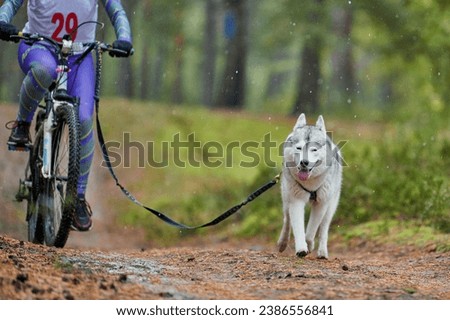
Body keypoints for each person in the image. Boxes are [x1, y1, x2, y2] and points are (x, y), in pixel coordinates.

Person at [0, 0, 133, 232]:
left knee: (82, 120)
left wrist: (124, 37)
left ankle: (77, 199)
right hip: (38, 47)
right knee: (44, 71)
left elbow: (117, 10)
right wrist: (2, 22)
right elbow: (10, 3)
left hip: (79, 56)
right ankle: (22, 123)